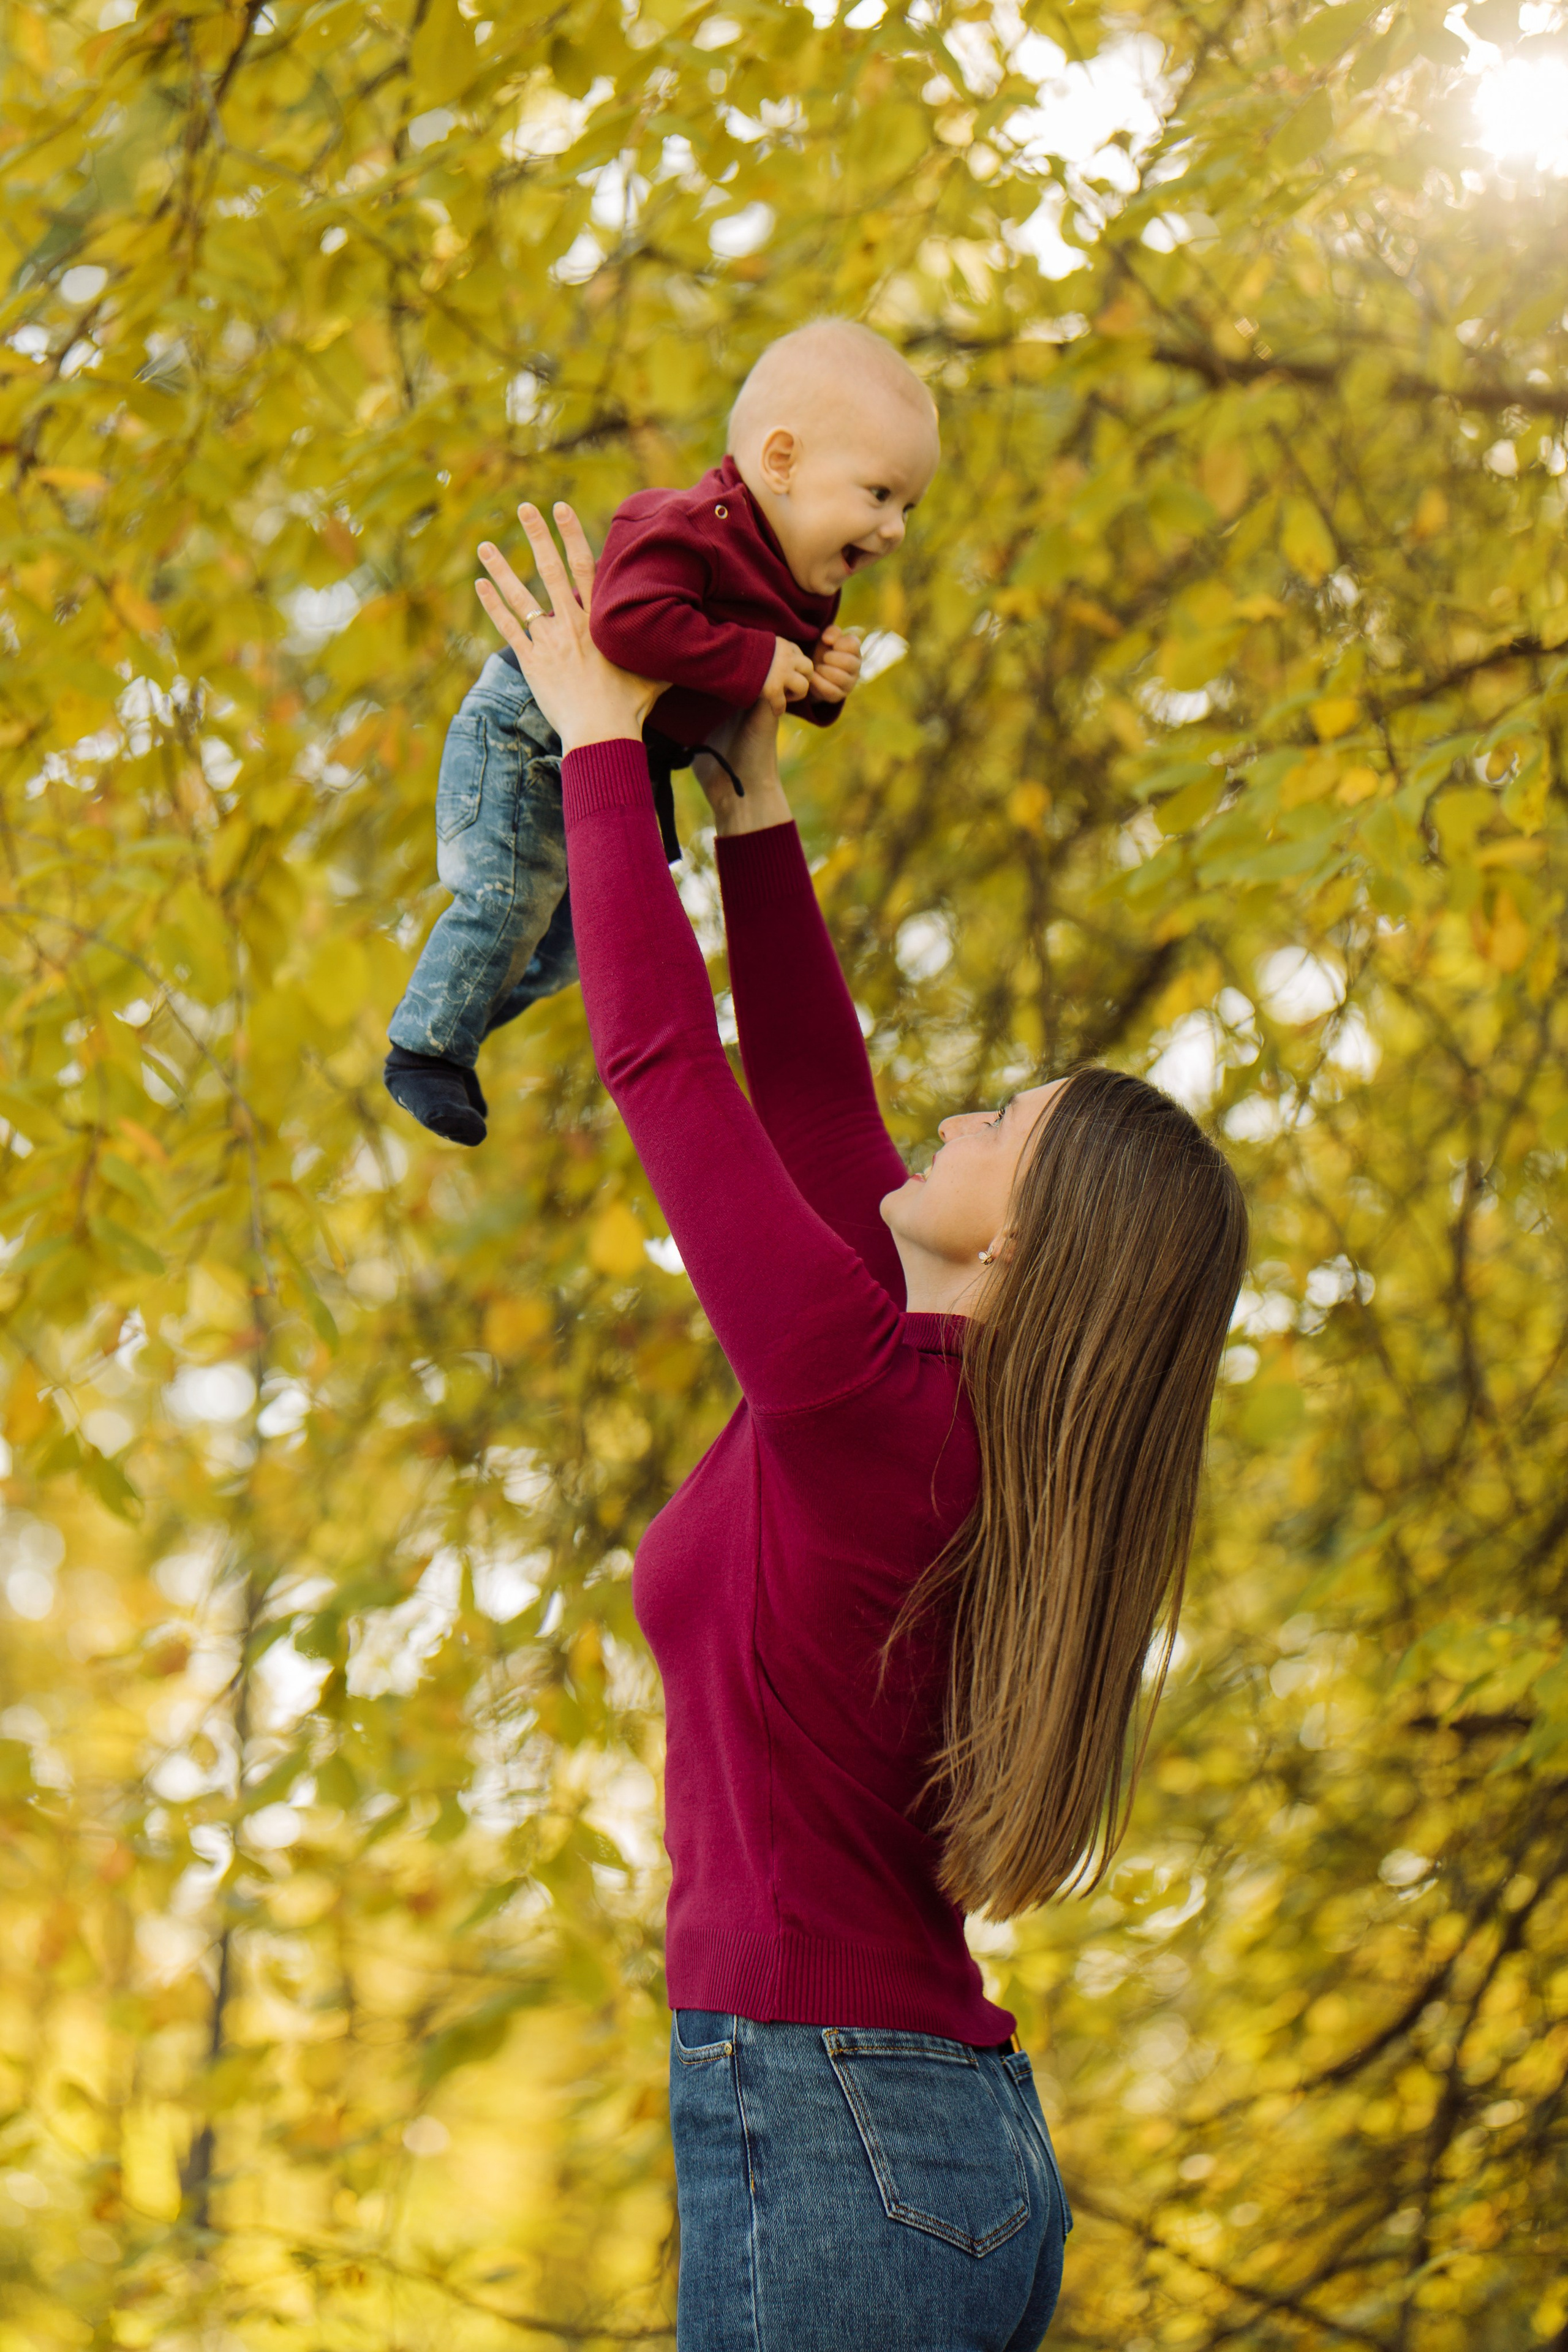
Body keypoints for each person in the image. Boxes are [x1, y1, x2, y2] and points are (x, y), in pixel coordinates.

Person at [473, 505, 1250, 2352]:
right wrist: (749, 806)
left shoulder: (861, 1400)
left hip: (833, 2126)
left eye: (1000, 1129)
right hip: (921, 2134)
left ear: (1036, 1240)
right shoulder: (917, 1404)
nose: (950, 1126)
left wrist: (596, 743)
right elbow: (821, 1113)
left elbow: (670, 1072)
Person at [385, 319, 940, 1146]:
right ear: (782, 463)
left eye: (908, 507)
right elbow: (628, 624)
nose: (894, 529)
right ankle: (422, 1052)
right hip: (528, 732)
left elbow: (758, 691)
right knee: (511, 896)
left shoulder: (802, 584)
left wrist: (819, 683)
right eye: (879, 495)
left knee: (569, 943)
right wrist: (759, 658)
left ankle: (455, 1007)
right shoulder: (687, 526)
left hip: (620, 757)